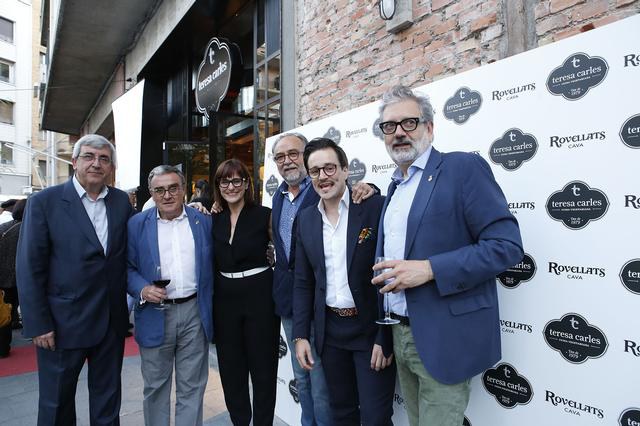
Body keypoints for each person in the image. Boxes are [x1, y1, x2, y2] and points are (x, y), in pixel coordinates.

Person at [371, 85, 524, 426]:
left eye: (409, 122)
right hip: (400, 334)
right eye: (389, 126)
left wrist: (430, 269)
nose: (399, 132)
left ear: (429, 127)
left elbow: (507, 246)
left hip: (445, 338)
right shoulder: (393, 188)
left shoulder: (462, 168)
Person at [16, 134, 134, 426]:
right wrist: (38, 323)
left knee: (108, 404)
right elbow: (30, 267)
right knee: (56, 405)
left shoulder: (121, 201)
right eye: (89, 156)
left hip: (111, 323)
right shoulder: (44, 202)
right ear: (74, 162)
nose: (96, 164)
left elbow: (134, 245)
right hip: (62, 325)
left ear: (111, 167)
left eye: (104, 159)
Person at [271, 132, 376, 426]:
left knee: (328, 391)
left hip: (340, 316)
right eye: (280, 157)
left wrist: (370, 188)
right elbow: (292, 263)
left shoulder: (330, 193)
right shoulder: (279, 198)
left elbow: (355, 198)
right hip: (297, 306)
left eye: (293, 154)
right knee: (307, 384)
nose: (287, 161)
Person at [293, 138, 395, 425]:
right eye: (315, 171)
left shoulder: (375, 207)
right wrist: (301, 336)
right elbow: (303, 282)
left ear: (345, 170)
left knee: (375, 418)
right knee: (342, 413)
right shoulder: (306, 220)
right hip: (330, 334)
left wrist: (384, 336)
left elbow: (391, 273)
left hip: (370, 331)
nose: (323, 177)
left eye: (329, 168)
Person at [127, 165, 214, 426]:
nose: (167, 195)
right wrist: (142, 289)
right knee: (155, 387)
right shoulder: (136, 224)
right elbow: (126, 267)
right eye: (160, 190)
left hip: (194, 312)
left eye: (173, 188)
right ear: (151, 193)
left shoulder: (203, 221)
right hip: (154, 313)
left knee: (193, 387)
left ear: (184, 189)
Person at [212, 159, 279, 426]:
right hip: (224, 300)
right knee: (231, 371)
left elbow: (286, 251)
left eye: (237, 180)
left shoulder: (265, 215)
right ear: (218, 186)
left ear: (247, 183)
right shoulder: (212, 217)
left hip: (260, 296)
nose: (231, 186)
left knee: (263, 371)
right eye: (225, 181)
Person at [0, 198, 26, 356]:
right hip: (21, 277)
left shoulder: (3, 228)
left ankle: (3, 347)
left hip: (3, 277)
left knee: (4, 311)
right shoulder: (28, 229)